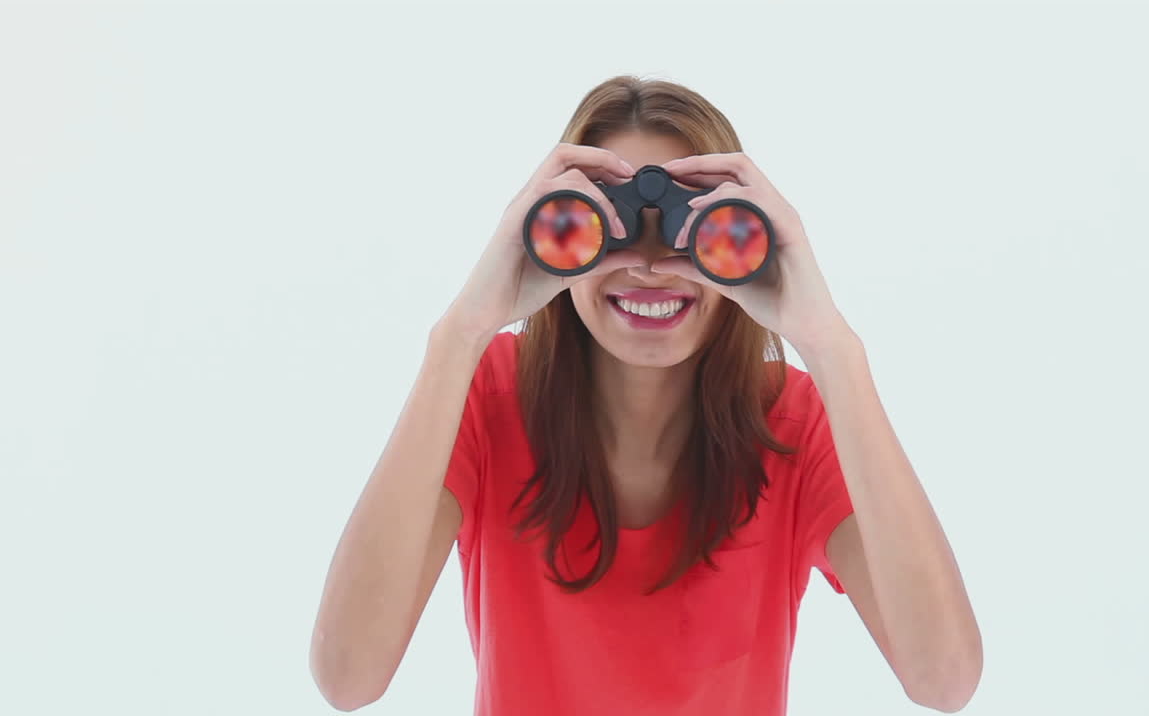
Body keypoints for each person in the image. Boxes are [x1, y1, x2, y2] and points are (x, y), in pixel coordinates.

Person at [309, 75, 983, 715]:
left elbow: (945, 680)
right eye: (606, 228)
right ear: (547, 237)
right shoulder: (487, 395)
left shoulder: (792, 421)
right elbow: (348, 677)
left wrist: (833, 347)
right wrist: (460, 332)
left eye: (695, 232)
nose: (652, 265)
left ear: (748, 239)